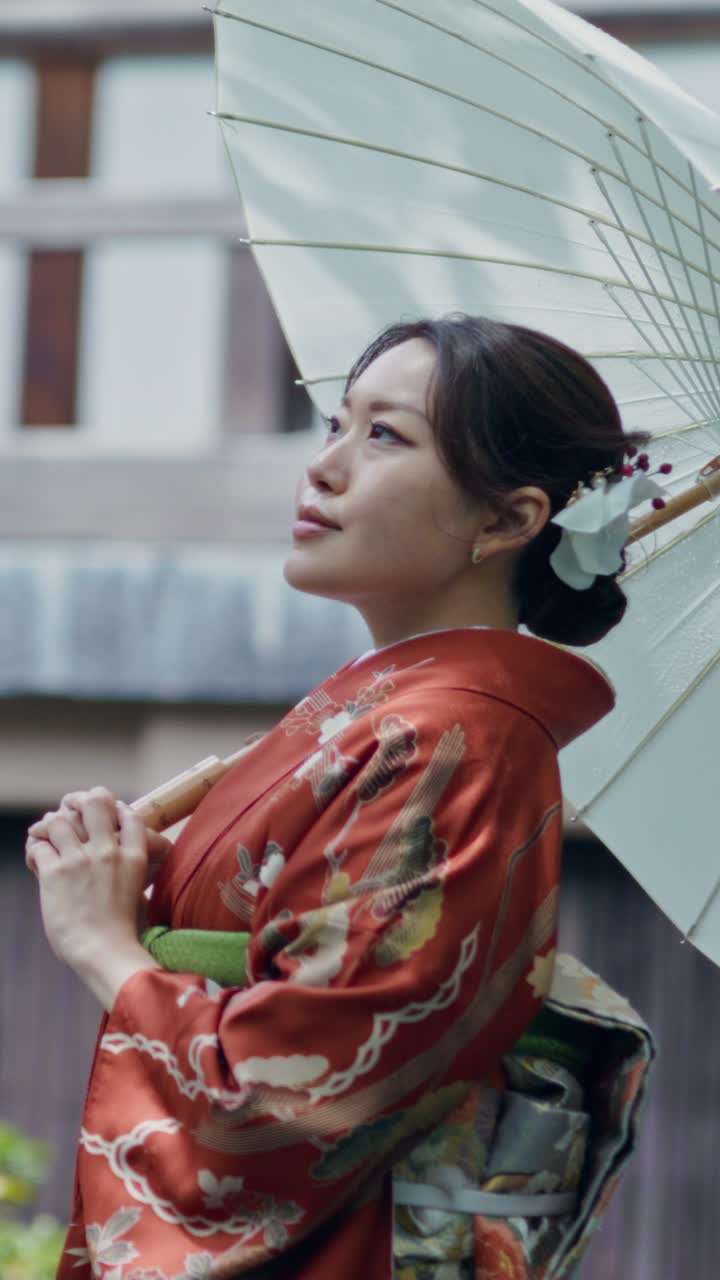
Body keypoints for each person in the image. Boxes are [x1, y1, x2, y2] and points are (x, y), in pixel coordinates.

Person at [26, 315, 650, 1279]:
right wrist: (156, 886)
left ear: (508, 521)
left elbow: (309, 1082)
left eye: (387, 436)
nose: (323, 469)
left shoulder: (455, 738)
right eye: (334, 425)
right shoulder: (394, 713)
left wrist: (107, 944)